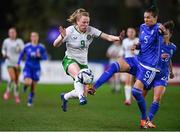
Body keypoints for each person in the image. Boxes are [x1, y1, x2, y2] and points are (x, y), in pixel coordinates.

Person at [87, 6, 167, 128]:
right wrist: (137, 46)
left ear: (155, 18)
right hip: (137, 60)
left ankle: (143, 119)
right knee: (114, 65)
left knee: (135, 92)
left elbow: (162, 38)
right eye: (144, 17)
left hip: (149, 68)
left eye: (148, 18)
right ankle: (94, 88)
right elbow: (144, 43)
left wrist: (164, 32)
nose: (145, 19)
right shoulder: (142, 27)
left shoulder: (158, 29)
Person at [53, 8, 124, 112]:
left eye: (87, 22)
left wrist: (118, 38)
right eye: (83, 22)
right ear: (77, 21)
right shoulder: (69, 30)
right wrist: (62, 37)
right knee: (79, 76)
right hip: (69, 60)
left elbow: (108, 37)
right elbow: (55, 44)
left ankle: (65, 97)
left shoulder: (91, 30)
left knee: (83, 92)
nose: (86, 24)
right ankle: (81, 97)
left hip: (83, 65)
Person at [142, 20, 176, 128]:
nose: (165, 35)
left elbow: (169, 59)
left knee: (157, 98)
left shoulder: (173, 47)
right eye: (164, 32)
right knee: (140, 97)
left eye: (167, 33)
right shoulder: (157, 42)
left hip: (162, 75)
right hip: (151, 73)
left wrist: (171, 71)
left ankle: (148, 121)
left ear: (171, 34)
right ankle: (143, 119)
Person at [17, 32, 48, 107]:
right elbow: (21, 54)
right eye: (32, 36)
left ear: (38, 37)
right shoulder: (27, 46)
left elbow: (45, 57)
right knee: (28, 82)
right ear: (30, 38)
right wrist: (18, 63)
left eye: (35, 36)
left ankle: (30, 99)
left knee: (33, 85)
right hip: (28, 67)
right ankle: (25, 85)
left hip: (36, 68)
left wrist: (40, 56)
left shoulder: (41, 47)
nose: (34, 37)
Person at [1, 27, 24, 103]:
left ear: (16, 33)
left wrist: (19, 49)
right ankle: (8, 92)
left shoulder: (19, 41)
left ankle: (16, 96)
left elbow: (23, 51)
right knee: (13, 77)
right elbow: (3, 49)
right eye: (10, 32)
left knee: (16, 80)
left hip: (17, 63)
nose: (12, 34)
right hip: (9, 62)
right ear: (9, 33)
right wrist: (4, 54)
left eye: (13, 32)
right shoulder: (6, 41)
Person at [122, 27, 139, 105]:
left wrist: (135, 52)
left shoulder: (137, 41)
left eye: (132, 31)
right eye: (129, 32)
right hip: (128, 62)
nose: (130, 33)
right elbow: (124, 51)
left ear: (135, 32)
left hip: (136, 62)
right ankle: (128, 99)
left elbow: (140, 53)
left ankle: (134, 95)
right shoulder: (125, 41)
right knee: (128, 80)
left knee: (135, 81)